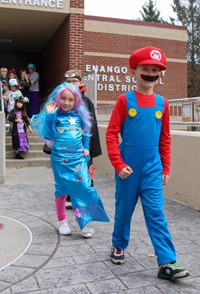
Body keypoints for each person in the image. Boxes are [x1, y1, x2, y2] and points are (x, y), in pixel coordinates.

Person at [106, 46, 190, 280]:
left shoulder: (162, 103)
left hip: (152, 167)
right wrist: (118, 163)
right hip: (128, 168)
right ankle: (118, 244)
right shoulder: (124, 100)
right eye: (145, 68)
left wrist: (166, 166)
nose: (151, 73)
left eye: (156, 69)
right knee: (124, 210)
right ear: (134, 71)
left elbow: (165, 137)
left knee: (156, 212)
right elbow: (112, 133)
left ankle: (167, 262)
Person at [31, 83, 109, 237]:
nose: (66, 102)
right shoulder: (54, 115)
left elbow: (86, 133)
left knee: (84, 188)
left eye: (70, 99)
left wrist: (86, 147)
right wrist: (50, 115)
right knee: (62, 190)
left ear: (76, 101)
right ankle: (62, 221)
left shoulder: (80, 116)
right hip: (60, 160)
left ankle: (84, 221)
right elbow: (49, 135)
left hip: (78, 160)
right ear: (58, 99)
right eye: (64, 99)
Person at [64, 69, 102, 209]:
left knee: (85, 171)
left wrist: (89, 146)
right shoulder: (61, 100)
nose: (72, 84)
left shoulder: (86, 102)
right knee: (69, 171)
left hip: (84, 144)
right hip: (68, 144)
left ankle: (85, 197)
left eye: (74, 81)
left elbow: (91, 126)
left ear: (81, 83)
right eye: (68, 82)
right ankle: (69, 197)